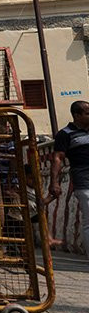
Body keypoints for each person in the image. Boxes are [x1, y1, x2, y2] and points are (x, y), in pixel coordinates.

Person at [49, 100, 89, 259]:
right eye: (87, 113)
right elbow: (57, 158)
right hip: (84, 180)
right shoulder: (65, 134)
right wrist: (54, 182)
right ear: (77, 115)